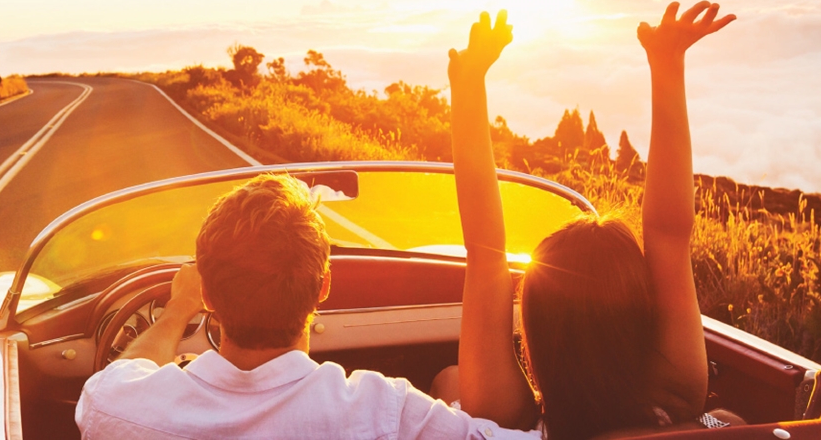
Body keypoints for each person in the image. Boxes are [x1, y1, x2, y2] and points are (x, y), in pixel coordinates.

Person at [442, 3, 742, 439]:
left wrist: (467, 85)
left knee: (448, 381)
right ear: (644, 320)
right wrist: (667, 64)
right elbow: (669, 235)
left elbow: (485, 252)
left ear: (534, 336)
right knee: (728, 419)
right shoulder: (680, 402)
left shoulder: (505, 421)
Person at [76, 174, 536, 439]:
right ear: (324, 288)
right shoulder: (384, 414)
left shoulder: (118, 409)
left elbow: (114, 380)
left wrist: (178, 309)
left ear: (210, 296)